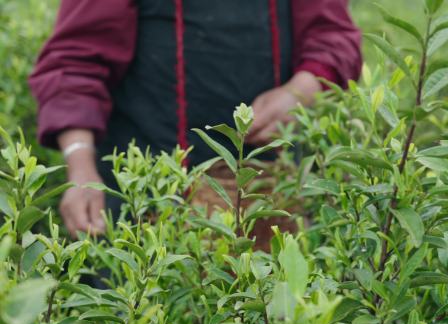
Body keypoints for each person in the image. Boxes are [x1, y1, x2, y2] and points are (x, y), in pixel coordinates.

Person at [29, 0, 362, 239]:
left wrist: (300, 91)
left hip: (272, 197)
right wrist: (80, 165)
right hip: (145, 194)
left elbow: (333, 38)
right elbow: (76, 63)